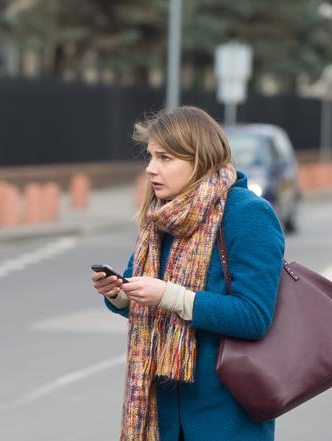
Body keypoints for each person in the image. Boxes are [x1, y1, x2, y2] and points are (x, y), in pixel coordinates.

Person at [92, 106, 284, 441]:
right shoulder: (161, 218)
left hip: (226, 417)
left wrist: (170, 296)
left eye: (165, 158)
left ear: (200, 159)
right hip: (163, 417)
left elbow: (254, 316)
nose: (151, 169)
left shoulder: (247, 214)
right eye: (150, 157)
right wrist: (119, 293)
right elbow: (142, 293)